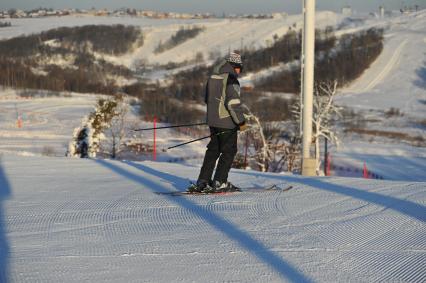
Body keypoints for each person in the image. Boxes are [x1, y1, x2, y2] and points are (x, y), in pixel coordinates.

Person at [191, 52, 250, 193]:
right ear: (234, 66)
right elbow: (233, 104)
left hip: (212, 121)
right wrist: (241, 122)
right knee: (229, 151)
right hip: (227, 123)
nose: (239, 72)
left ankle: (202, 181)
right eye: (239, 68)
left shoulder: (212, 78)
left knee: (213, 150)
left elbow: (207, 99)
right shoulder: (231, 79)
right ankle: (219, 182)